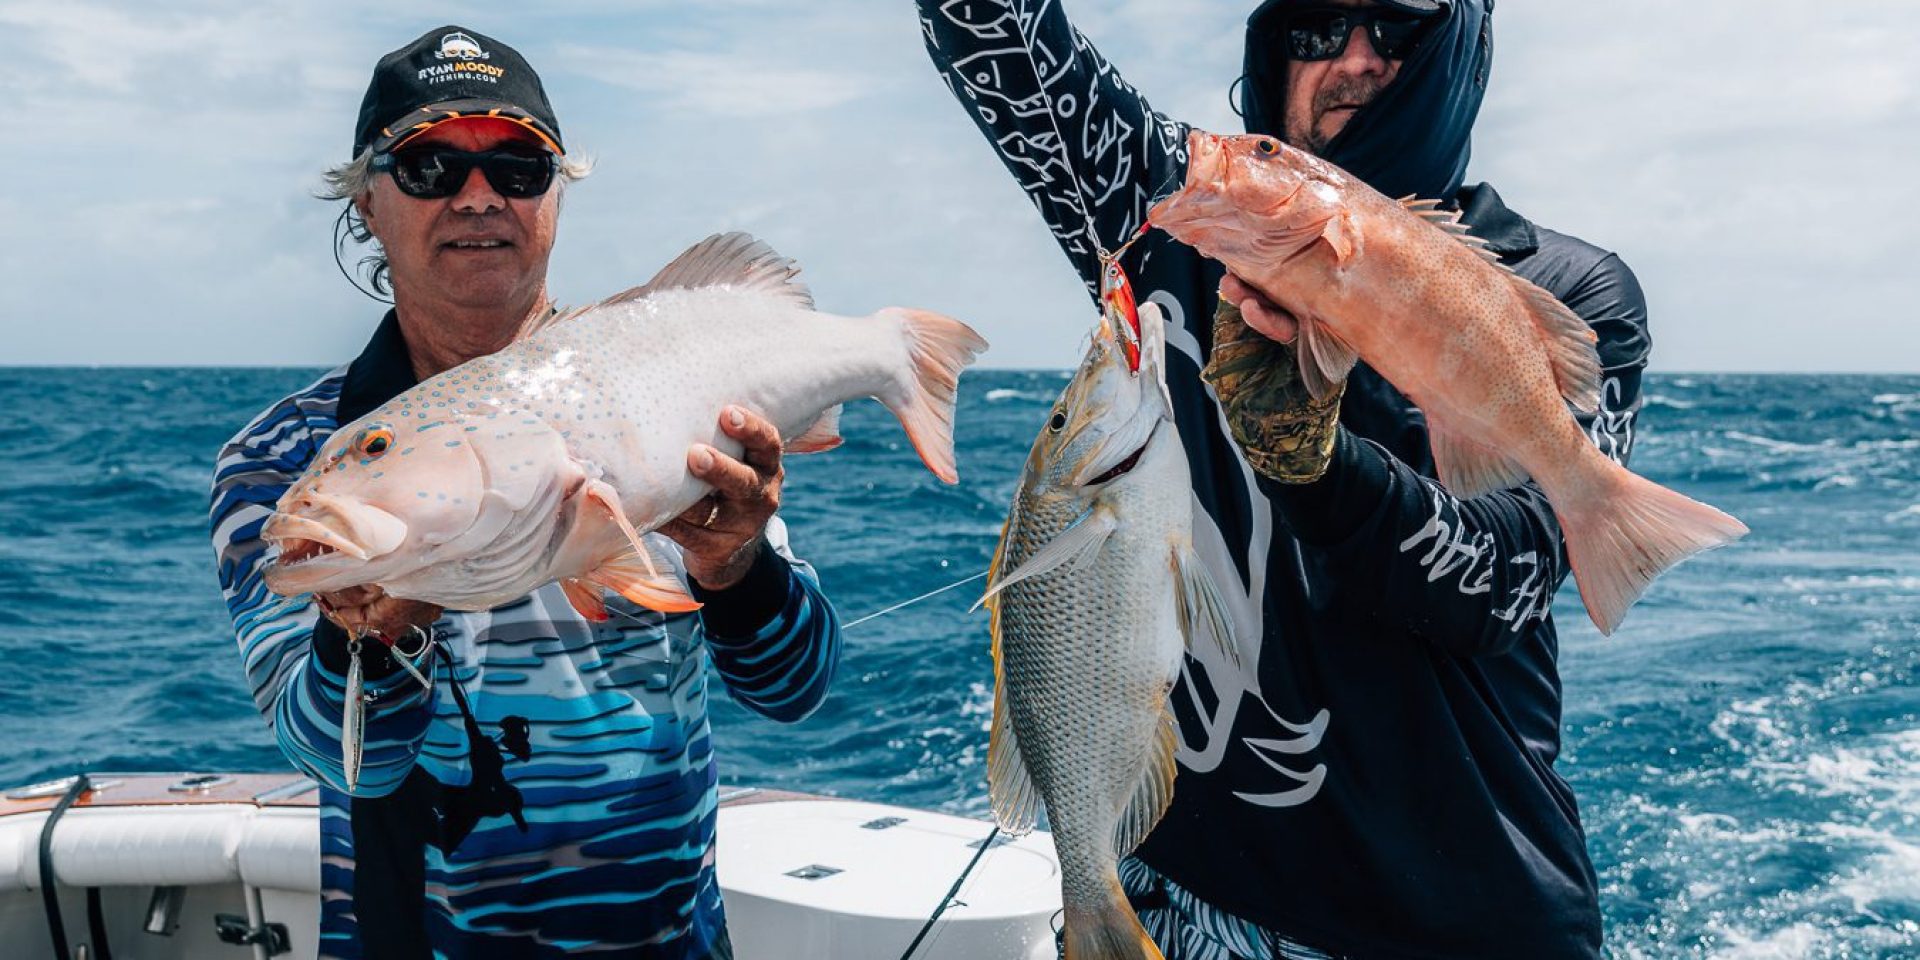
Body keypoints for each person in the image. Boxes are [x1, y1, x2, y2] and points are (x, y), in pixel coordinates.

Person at [920, 1, 1647, 957]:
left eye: (1396, 30)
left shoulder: (1562, 291)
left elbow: (1506, 585)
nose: (1354, 60)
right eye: (1315, 27)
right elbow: (990, 36)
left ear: (1458, 49)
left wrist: (1317, 461)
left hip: (1449, 922)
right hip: (1173, 898)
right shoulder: (1186, 212)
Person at [210, 25, 840, 960]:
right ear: (367, 204)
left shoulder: (663, 389)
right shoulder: (293, 464)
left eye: (517, 165)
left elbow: (797, 687)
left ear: (555, 198)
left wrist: (734, 560)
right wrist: (381, 633)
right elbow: (337, 758)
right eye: (429, 165)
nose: (478, 195)